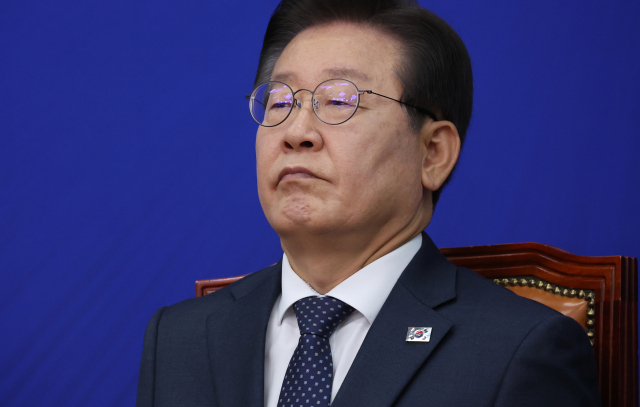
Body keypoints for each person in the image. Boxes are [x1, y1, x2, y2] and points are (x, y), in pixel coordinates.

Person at [136, 0, 601, 406]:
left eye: (340, 100)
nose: (296, 132)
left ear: (433, 153)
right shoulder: (179, 338)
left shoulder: (516, 350)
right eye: (279, 101)